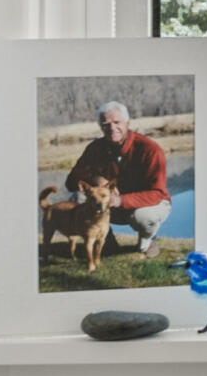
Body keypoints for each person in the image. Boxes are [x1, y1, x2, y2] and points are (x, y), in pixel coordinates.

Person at [68, 102, 173, 260]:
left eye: (117, 122)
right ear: (100, 127)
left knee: (144, 216)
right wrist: (94, 178)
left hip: (147, 204)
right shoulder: (95, 148)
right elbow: (71, 182)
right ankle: (105, 242)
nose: (112, 128)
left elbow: (157, 193)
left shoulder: (150, 149)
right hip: (110, 205)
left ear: (127, 123)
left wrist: (121, 200)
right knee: (77, 198)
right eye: (106, 124)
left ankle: (148, 241)